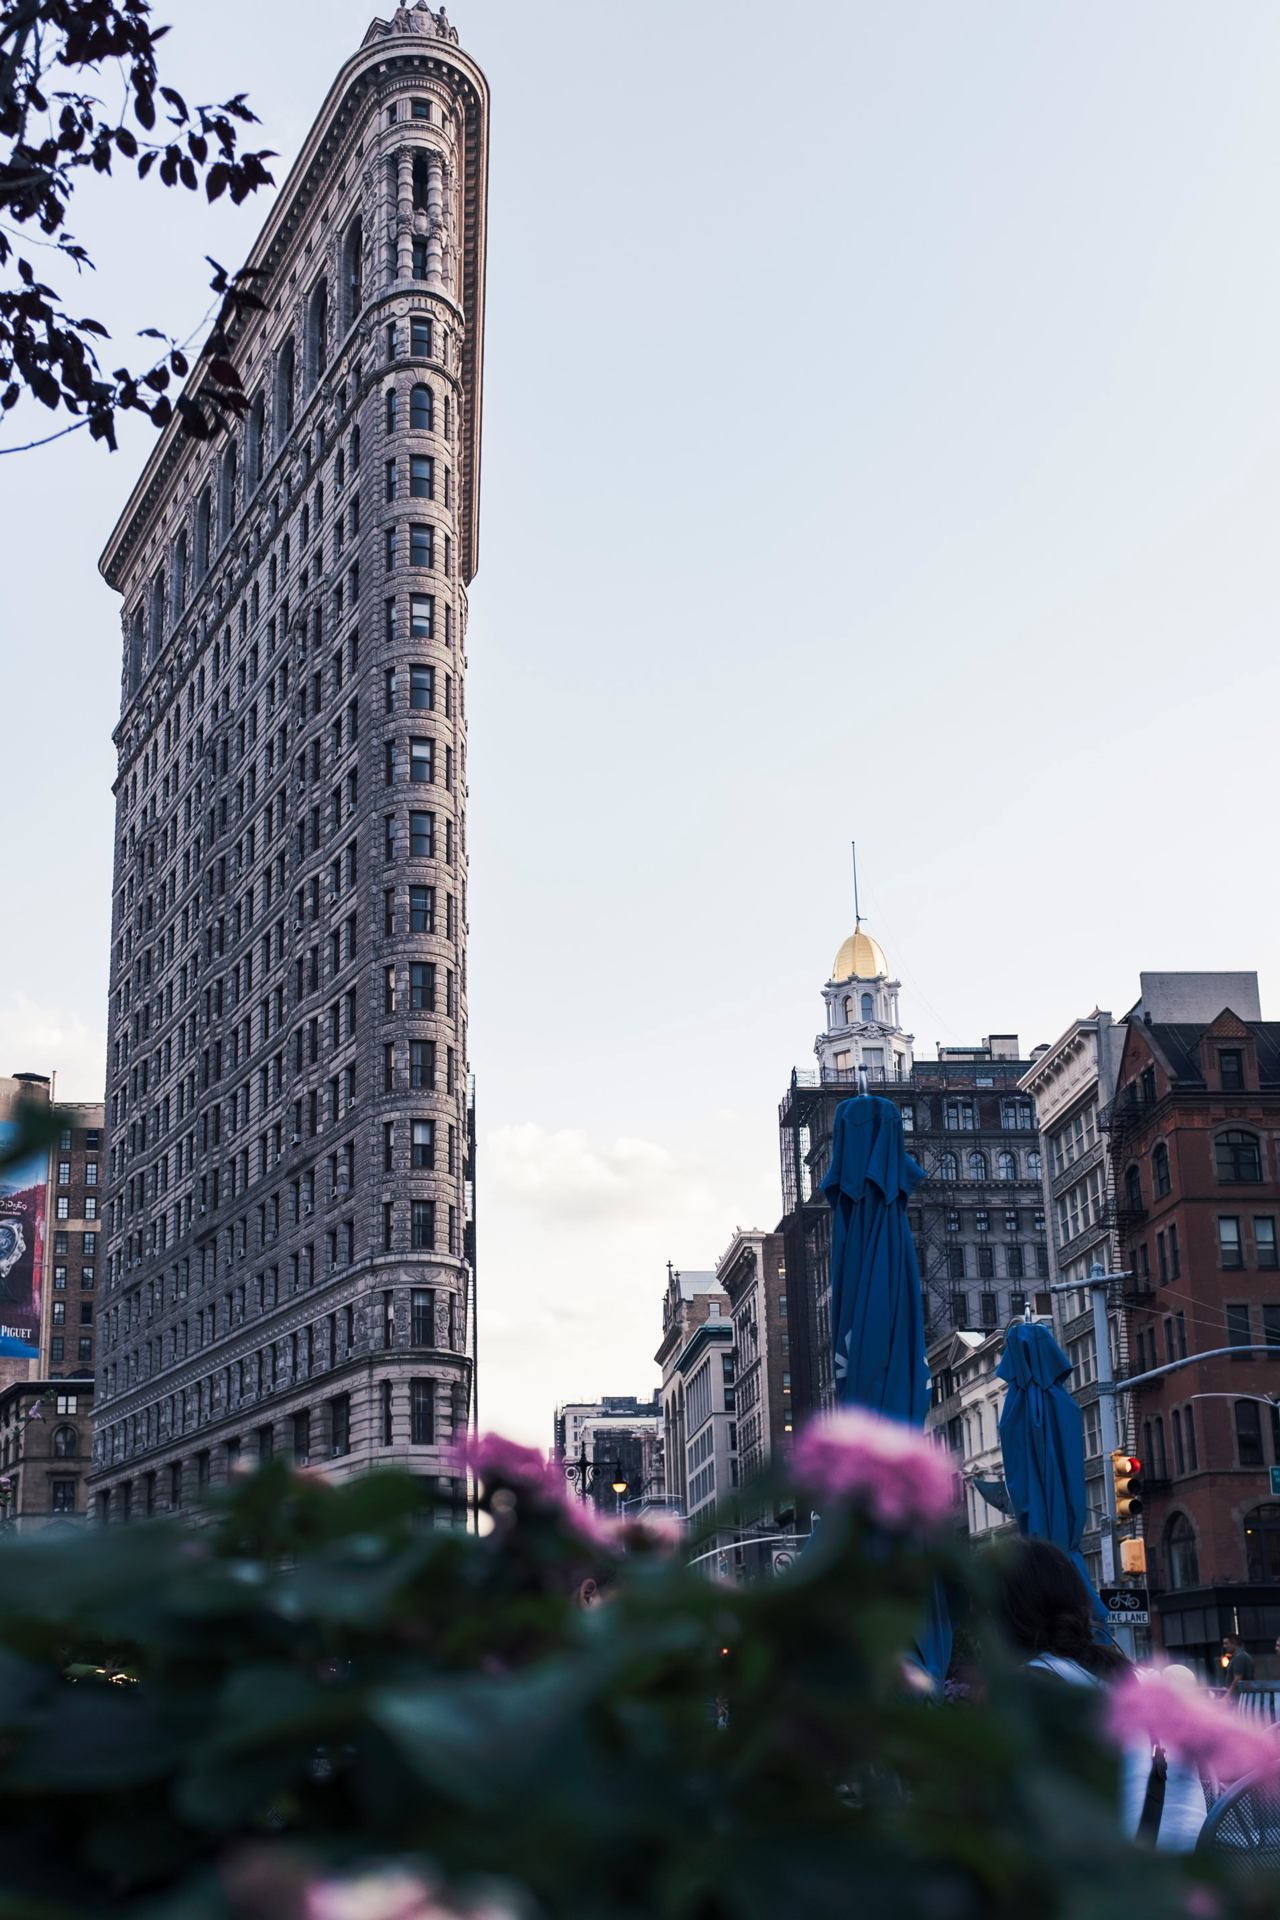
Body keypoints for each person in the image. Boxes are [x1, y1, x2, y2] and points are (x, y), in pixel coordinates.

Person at [989, 1538, 1206, 1851]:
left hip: (1112, 1888)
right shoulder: (1144, 1683)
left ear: (1005, 1614)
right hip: (1194, 1879)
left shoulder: (1031, 1692)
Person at [1223, 1633, 1254, 1698]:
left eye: (1226, 1643)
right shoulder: (1241, 1656)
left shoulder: (1239, 1657)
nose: (1224, 1646)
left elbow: (1237, 1679)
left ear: (1234, 1642)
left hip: (1239, 1698)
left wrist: (1227, 1696)